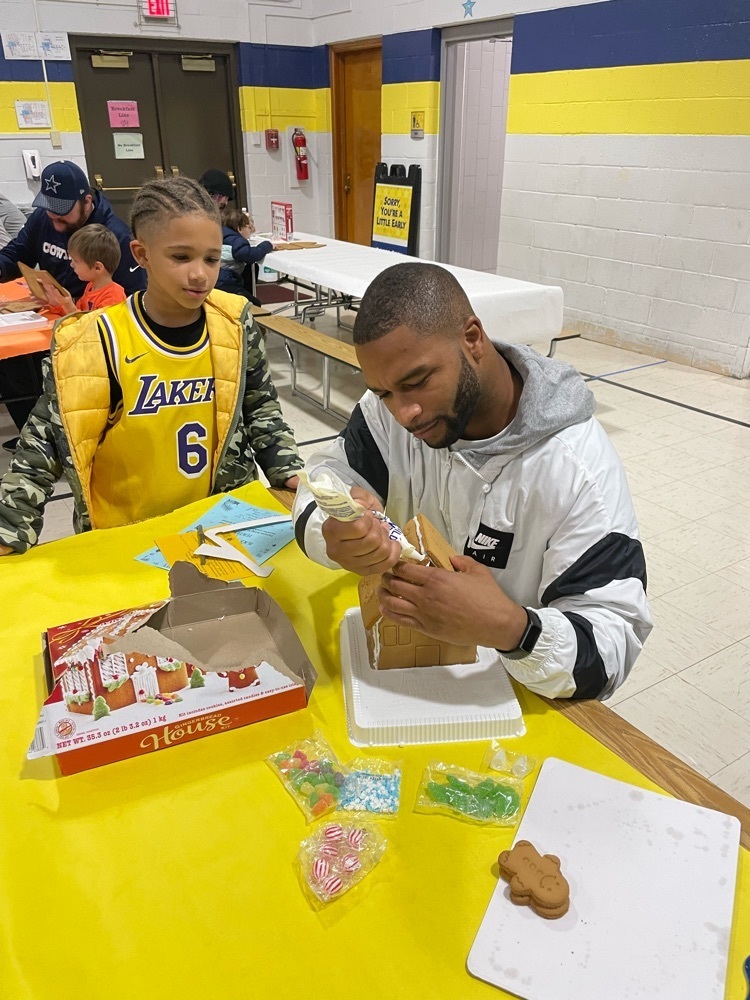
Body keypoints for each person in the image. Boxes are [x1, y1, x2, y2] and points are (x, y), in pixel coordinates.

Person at [292, 262, 652, 701]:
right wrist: (330, 531)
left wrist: (509, 627)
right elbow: (322, 479)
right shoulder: (387, 414)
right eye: (385, 392)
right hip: (405, 682)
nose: (404, 413)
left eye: (418, 382)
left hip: (521, 701)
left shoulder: (577, 470)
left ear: (472, 338)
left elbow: (612, 646)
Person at [0, 176, 303, 555]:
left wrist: (286, 468)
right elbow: (44, 439)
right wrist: (10, 526)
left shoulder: (234, 322)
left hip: (218, 526)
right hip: (128, 535)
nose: (200, 273)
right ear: (141, 255)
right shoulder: (96, 339)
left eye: (211, 258)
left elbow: (259, 406)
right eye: (181, 257)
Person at [0, 160, 146, 444]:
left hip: (82, 327)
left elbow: (130, 301)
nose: (54, 220)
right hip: (53, 313)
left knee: (23, 361)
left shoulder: (113, 236)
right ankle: (32, 435)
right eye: (49, 212)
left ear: (87, 201)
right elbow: (17, 254)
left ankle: (52, 436)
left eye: (62, 215)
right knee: (9, 359)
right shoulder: (45, 217)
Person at [39, 224, 126, 315]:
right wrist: (56, 303)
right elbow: (77, 315)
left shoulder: (113, 297)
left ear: (97, 267)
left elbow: (94, 327)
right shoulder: (91, 286)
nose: (72, 265)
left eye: (75, 261)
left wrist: (68, 305)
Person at [216, 208, 274, 302]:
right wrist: (267, 245)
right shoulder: (237, 241)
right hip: (226, 281)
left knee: (251, 267)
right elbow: (250, 255)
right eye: (248, 227)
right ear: (239, 229)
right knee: (254, 303)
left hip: (218, 277)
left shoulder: (221, 236)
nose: (250, 231)